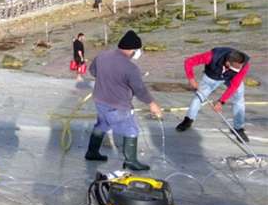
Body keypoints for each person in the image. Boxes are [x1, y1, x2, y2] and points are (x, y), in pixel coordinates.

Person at [84, 30, 162, 171]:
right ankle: (131, 161)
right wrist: (152, 104)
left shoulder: (102, 56)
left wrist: (107, 79)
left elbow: (93, 71)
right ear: (133, 50)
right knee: (131, 130)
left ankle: (92, 152)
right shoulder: (131, 68)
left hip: (99, 100)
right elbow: (140, 90)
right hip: (118, 105)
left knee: (102, 125)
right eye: (139, 50)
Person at [176, 47, 251, 142]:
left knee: (239, 99)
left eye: (240, 67)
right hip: (212, 77)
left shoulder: (244, 64)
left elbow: (234, 85)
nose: (239, 69)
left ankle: (238, 128)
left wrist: (221, 101)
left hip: (231, 78)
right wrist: (191, 79)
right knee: (198, 97)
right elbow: (189, 62)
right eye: (236, 68)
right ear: (228, 62)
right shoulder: (211, 56)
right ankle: (188, 120)